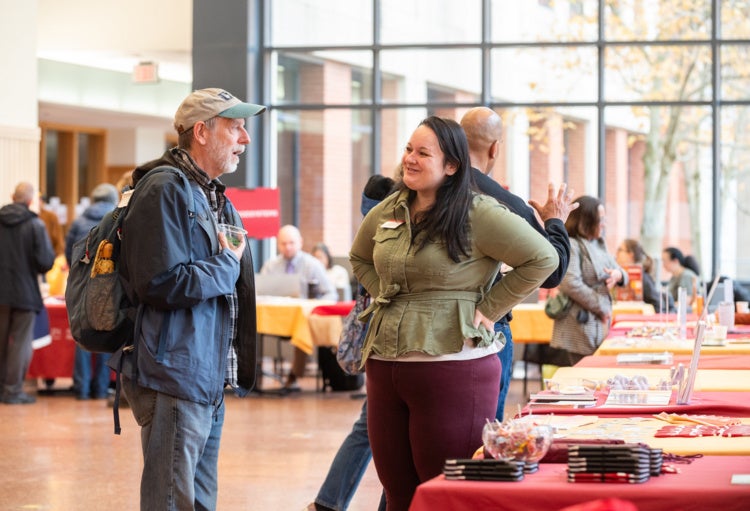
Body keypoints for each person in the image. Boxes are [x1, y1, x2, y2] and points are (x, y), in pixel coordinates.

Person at [350, 116, 558, 510]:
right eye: (408, 149)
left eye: (422, 153)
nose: (410, 159)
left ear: (452, 165)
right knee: (397, 493)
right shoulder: (390, 208)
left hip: (454, 367)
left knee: (445, 492)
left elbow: (542, 257)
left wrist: (491, 307)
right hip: (384, 364)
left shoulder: (478, 212)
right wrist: (386, 295)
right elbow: (359, 257)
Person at [108, 87, 262, 509]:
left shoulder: (210, 194)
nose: (245, 139)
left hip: (206, 375)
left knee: (198, 500)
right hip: (174, 372)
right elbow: (160, 283)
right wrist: (228, 265)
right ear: (201, 132)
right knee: (170, 500)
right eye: (236, 128)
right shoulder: (164, 189)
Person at [460, 106, 574, 420]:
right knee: (484, 430)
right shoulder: (501, 201)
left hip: (430, 328)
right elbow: (552, 270)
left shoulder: (430, 193)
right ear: (495, 148)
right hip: (484, 327)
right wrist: (555, 222)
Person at [309, 174, 395, 511]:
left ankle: (329, 502)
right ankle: (330, 502)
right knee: (380, 427)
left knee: (375, 426)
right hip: (390, 340)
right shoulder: (391, 232)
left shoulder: (367, 232)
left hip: (376, 338)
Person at [549, 196, 628, 367]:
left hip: (599, 322)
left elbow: (621, 272)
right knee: (584, 376)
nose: (604, 224)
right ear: (586, 221)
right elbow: (570, 283)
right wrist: (601, 306)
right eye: (600, 220)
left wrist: (618, 275)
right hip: (579, 324)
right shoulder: (572, 245)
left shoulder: (599, 244)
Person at [260, 224, 337, 391]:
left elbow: (331, 294)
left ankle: (294, 376)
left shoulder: (313, 265)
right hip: (275, 318)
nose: (287, 247)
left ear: (300, 242)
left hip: (303, 319)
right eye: (283, 243)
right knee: (251, 324)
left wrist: (313, 306)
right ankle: (252, 376)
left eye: (291, 243)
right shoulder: (270, 266)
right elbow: (261, 292)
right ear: (278, 244)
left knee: (302, 326)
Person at [0, 182, 56, 404]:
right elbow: (45, 262)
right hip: (25, 293)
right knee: (20, 344)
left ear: (13, 196)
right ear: (31, 200)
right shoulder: (35, 225)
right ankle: (12, 391)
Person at [64, 183, 120, 400]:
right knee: (105, 331)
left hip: (82, 286)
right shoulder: (115, 220)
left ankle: (82, 388)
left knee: (83, 333)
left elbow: (71, 252)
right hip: (109, 286)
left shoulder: (79, 221)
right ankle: (101, 387)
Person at [615, 238, 675, 313]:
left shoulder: (642, 277)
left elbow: (657, 305)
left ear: (630, 254)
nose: (616, 253)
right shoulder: (621, 276)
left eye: (620, 249)